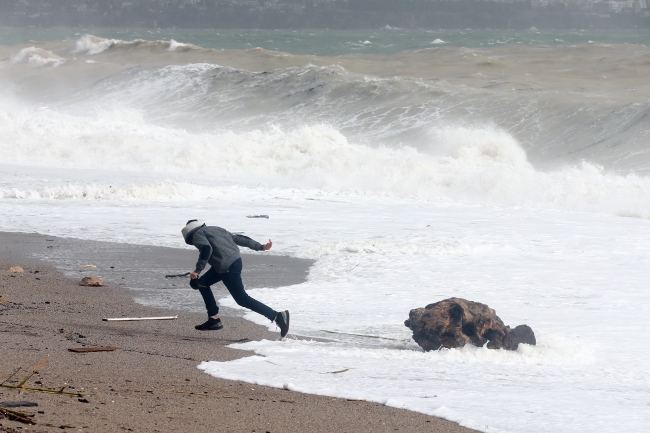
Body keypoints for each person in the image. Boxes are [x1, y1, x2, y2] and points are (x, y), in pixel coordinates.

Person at [181, 220, 290, 338]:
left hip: (226, 266)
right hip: (234, 261)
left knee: (242, 299)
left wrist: (197, 270)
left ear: (189, 234)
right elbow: (239, 238)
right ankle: (214, 320)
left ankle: (277, 316)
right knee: (201, 283)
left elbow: (206, 249)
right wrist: (261, 246)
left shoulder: (197, 234)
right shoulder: (216, 228)